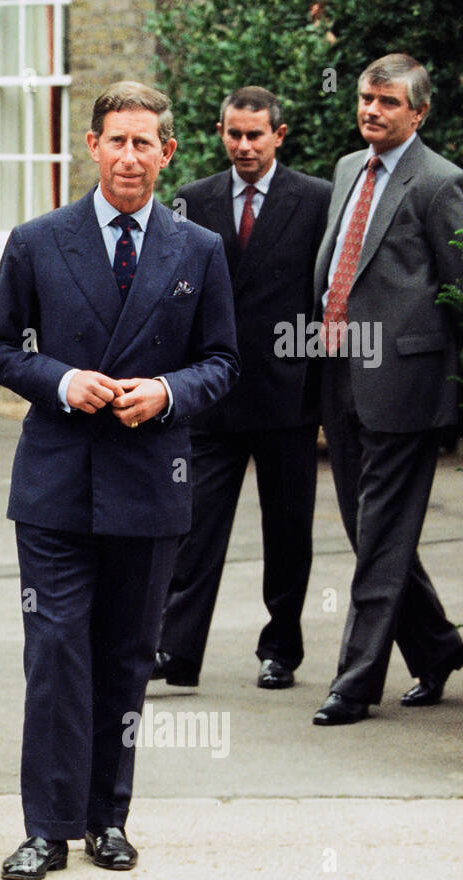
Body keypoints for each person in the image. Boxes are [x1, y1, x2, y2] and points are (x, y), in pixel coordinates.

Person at [0, 82, 239, 880]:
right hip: (57, 483)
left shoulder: (198, 250)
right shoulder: (36, 240)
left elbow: (224, 363)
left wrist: (166, 393)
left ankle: (108, 818)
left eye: (145, 144)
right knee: (55, 651)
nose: (130, 157)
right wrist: (61, 381)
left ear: (168, 152)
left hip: (149, 482)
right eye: (116, 141)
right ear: (89, 145)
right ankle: (46, 827)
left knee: (126, 655)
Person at [311, 54, 463, 726]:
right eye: (365, 99)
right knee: (367, 529)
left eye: (387, 102)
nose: (372, 111)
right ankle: (437, 647)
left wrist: (447, 385)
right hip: (341, 375)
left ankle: (354, 683)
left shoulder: (441, 183)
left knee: (379, 535)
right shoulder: (350, 168)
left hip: (405, 387)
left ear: (419, 111)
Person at [152, 87, 331, 691]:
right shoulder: (192, 200)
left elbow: (327, 299)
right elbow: (174, 296)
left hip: (289, 398)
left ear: (279, 135)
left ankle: (280, 649)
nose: (244, 146)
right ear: (221, 132)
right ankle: (176, 651)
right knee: (193, 529)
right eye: (234, 134)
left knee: (288, 532)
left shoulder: (317, 200)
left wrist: (324, 388)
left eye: (256, 135)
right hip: (213, 395)